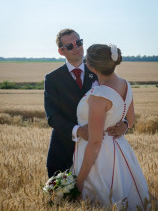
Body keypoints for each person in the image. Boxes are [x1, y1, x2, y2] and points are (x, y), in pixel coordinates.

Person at [73, 44, 149, 210]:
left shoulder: (99, 95)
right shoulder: (125, 84)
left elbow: (94, 143)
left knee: (102, 202)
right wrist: (125, 126)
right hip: (121, 150)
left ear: (91, 67)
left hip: (100, 158)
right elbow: (131, 119)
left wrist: (79, 183)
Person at [44, 29, 128, 178]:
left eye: (78, 42)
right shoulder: (52, 79)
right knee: (60, 199)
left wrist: (125, 124)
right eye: (70, 46)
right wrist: (78, 131)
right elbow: (52, 116)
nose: (76, 48)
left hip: (101, 152)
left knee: (100, 199)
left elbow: (119, 100)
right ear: (61, 51)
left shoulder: (99, 71)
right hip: (63, 149)